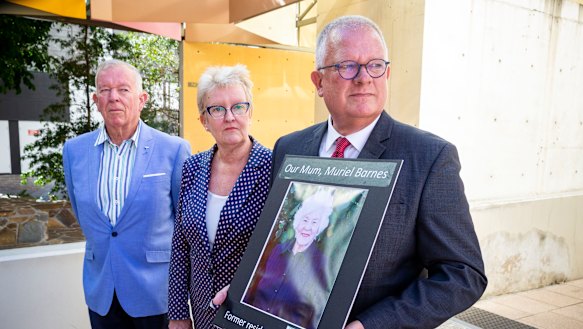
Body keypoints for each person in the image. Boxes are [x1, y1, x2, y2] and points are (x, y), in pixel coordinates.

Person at [268, 15, 488, 329]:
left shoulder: (429, 157)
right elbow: (277, 243)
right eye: (347, 65)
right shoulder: (289, 148)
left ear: (387, 74)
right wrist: (248, 293)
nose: (364, 78)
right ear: (318, 82)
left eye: (375, 65)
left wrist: (373, 325)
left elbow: (463, 274)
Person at [63, 59, 191, 329]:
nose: (114, 98)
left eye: (123, 89)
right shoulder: (74, 151)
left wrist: (183, 300)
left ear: (142, 98)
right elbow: (82, 211)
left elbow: (184, 229)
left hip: (156, 294)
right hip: (102, 293)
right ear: (96, 100)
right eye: (105, 90)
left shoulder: (173, 149)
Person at [168, 64, 272, 329]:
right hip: (203, 316)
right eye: (218, 109)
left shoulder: (274, 168)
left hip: (253, 315)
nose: (230, 117)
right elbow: (181, 246)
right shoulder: (192, 168)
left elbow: (283, 253)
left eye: (238, 106)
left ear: (250, 112)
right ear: (204, 120)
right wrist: (178, 314)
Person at [244, 187, 334, 329]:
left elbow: (315, 314)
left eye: (315, 222)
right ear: (297, 222)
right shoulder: (275, 249)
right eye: (305, 220)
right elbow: (253, 291)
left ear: (319, 228)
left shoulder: (321, 264)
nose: (308, 227)